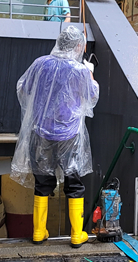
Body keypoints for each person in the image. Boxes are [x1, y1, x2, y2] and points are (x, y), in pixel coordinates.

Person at [11, 26, 99, 248]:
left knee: (43, 182)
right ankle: (76, 235)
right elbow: (92, 98)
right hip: (70, 135)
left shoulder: (40, 63)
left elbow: (23, 89)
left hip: (41, 132)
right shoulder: (79, 70)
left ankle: (39, 231)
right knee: (74, 182)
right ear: (78, 46)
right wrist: (90, 74)